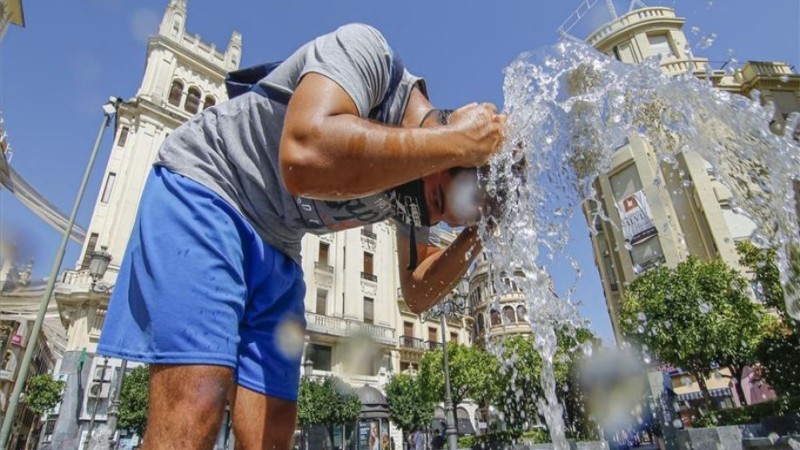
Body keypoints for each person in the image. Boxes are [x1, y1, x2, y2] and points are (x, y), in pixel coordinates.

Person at [97, 23, 505, 450]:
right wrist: (457, 141)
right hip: (211, 185)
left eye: (444, 218)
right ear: (447, 143)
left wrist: (478, 234)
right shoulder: (369, 54)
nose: (429, 215)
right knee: (195, 414)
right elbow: (302, 155)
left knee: (272, 439)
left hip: (279, 245)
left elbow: (418, 292)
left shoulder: (421, 181)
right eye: (437, 198)